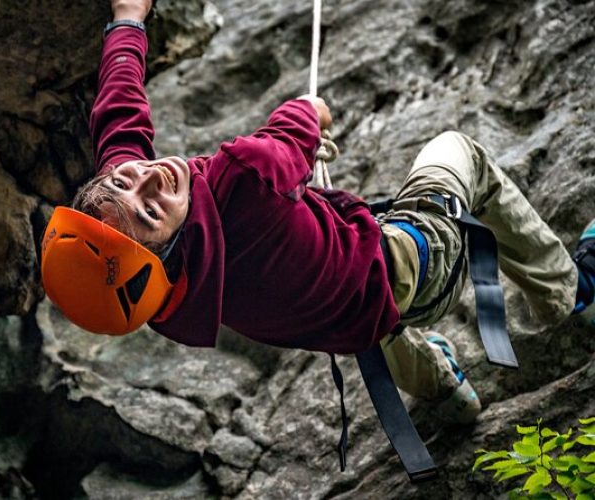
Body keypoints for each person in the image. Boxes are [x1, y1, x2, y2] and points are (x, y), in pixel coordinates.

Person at [41, 0, 595, 426]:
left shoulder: (158, 289)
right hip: (412, 269)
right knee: (461, 155)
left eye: (124, 178)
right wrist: (312, 117)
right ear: (160, 251)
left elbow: (118, 110)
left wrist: (127, 17)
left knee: (363, 303)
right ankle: (570, 292)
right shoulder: (247, 177)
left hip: (336, 321)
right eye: (151, 212)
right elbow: (299, 124)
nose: (149, 180)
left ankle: (441, 387)